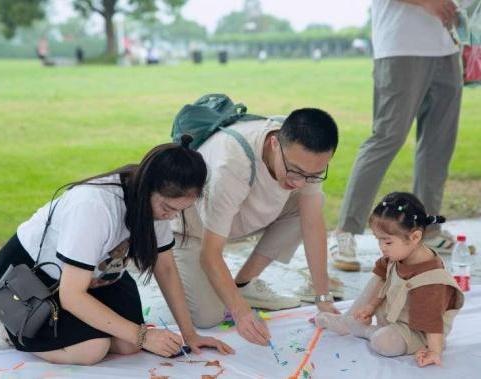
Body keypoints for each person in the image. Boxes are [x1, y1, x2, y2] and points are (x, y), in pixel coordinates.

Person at [0, 136, 233, 365]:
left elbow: (166, 269)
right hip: (31, 279)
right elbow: (71, 296)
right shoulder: (94, 206)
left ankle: (84, 331)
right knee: (93, 349)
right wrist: (143, 336)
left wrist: (190, 334)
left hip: (96, 275)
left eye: (179, 210)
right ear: (147, 187)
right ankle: (12, 327)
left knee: (129, 345)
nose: (170, 217)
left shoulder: (155, 204)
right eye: (167, 208)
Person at [172, 108, 341, 346]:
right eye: (294, 171)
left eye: (313, 175)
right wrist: (241, 313)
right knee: (209, 317)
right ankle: (195, 271)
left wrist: (323, 298)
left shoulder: (300, 157)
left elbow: (313, 223)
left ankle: (243, 283)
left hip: (237, 218)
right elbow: (210, 255)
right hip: (192, 230)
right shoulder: (232, 164)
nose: (300, 181)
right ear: (274, 143)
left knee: (312, 203)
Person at [331, 0, 463, 271]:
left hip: (447, 46)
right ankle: (346, 231)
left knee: (439, 145)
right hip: (400, 46)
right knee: (387, 138)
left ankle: (429, 231)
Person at [315, 192, 464, 367]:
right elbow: (382, 284)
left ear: (415, 237)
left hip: (419, 332)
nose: (381, 248)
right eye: (379, 241)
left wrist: (434, 351)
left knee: (383, 342)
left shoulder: (430, 282)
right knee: (380, 276)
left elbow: (432, 323)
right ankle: (348, 320)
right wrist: (370, 307)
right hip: (395, 317)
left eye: (387, 242)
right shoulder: (397, 256)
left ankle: (365, 330)